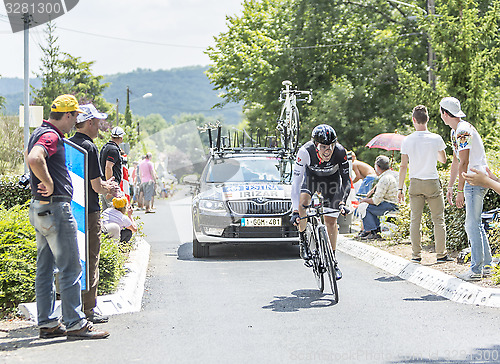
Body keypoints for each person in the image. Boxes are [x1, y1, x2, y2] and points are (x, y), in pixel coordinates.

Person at [26, 94, 109, 340]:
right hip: (57, 209)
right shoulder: (51, 136)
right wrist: (49, 182)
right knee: (71, 267)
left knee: (45, 268)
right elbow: (34, 158)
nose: (75, 123)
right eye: (74, 117)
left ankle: (48, 323)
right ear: (69, 115)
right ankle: (74, 323)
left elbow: (32, 156)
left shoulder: (38, 132)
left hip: (40, 209)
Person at [69, 103, 120, 324]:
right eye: (97, 122)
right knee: (91, 258)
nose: (100, 126)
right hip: (89, 211)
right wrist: (109, 187)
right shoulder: (89, 147)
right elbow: (96, 186)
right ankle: (89, 309)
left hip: (71, 209)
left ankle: (72, 306)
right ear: (89, 122)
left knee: (73, 259)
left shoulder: (67, 144)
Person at [440, 96, 492, 280]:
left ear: (445, 114)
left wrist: (460, 190)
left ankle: (476, 269)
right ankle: (486, 266)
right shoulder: (457, 131)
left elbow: (464, 162)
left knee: (471, 225)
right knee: (475, 224)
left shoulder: (462, 130)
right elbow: (456, 161)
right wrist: (451, 186)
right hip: (473, 179)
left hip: (473, 181)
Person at [290, 124, 350, 280]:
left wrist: (342, 202)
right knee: (303, 202)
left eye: (331, 145)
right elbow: (296, 183)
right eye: (323, 146)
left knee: (331, 221)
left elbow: (346, 181)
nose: (327, 150)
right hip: (312, 179)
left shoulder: (341, 152)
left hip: (332, 181)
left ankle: (333, 262)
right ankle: (303, 240)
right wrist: (295, 211)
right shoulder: (305, 152)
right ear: (316, 145)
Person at [398, 105, 451, 263]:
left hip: (415, 182)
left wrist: (400, 188)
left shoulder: (407, 140)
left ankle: (416, 255)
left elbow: (403, 166)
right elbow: (443, 160)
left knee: (415, 219)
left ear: (413, 120)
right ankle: (441, 254)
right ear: (427, 119)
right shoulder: (436, 138)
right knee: (438, 219)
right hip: (432, 182)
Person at [358, 155, 398, 240]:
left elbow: (376, 201)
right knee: (368, 206)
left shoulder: (384, 179)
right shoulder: (391, 175)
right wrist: (373, 190)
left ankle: (372, 231)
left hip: (390, 205)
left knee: (364, 207)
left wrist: (364, 200)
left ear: (377, 167)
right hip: (394, 203)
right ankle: (375, 230)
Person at [99, 126, 125, 209]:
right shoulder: (113, 150)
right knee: (117, 211)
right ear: (121, 138)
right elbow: (108, 167)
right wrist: (110, 188)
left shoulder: (105, 147)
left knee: (106, 214)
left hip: (103, 184)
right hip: (111, 187)